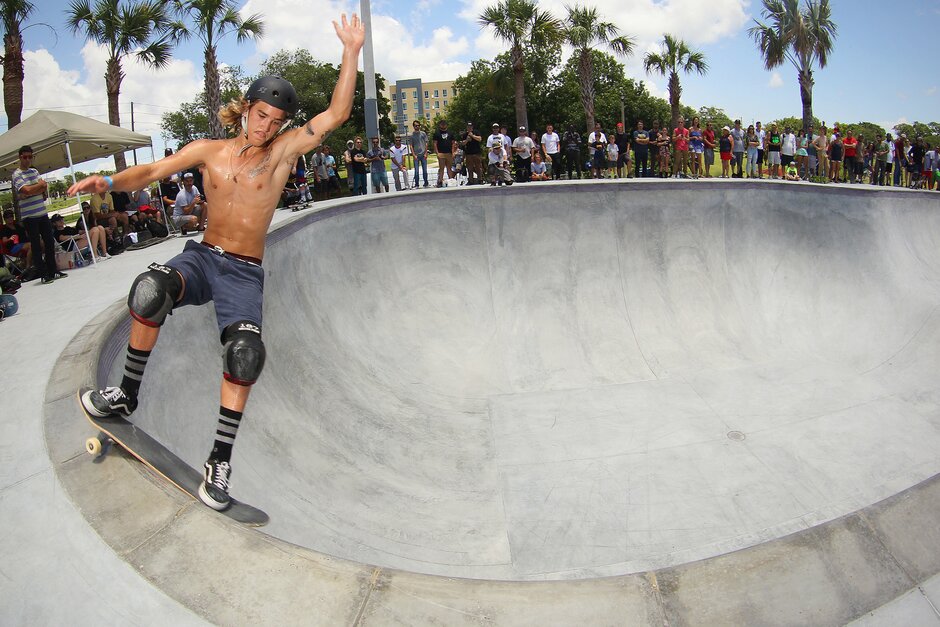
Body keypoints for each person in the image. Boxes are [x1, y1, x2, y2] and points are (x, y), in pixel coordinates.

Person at [69, 13, 365, 512]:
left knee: (246, 354)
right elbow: (155, 169)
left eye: (276, 121)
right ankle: (125, 394)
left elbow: (335, 113)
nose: (266, 127)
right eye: (261, 116)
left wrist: (351, 51)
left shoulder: (284, 153)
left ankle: (219, 460)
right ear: (246, 109)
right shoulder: (209, 151)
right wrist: (110, 184)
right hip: (203, 259)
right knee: (149, 289)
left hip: (243, 273)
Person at [13, 145, 64, 284]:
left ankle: (53, 270)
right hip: (29, 216)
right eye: (25, 157)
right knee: (36, 245)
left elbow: (43, 188)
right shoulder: (17, 174)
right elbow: (26, 190)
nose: (28, 159)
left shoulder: (34, 171)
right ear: (20, 157)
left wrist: (31, 191)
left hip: (42, 213)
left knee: (49, 242)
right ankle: (43, 274)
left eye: (30, 157)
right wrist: (35, 189)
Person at [432, 120, 456, 187]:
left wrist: (453, 152)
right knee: (441, 168)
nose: (443, 125)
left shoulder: (450, 133)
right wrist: (437, 153)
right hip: (441, 153)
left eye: (444, 124)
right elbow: (435, 143)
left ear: (446, 125)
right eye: (442, 124)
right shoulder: (437, 133)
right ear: (439, 125)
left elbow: (453, 143)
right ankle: (440, 181)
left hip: (449, 153)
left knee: (449, 168)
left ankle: (451, 180)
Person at [410, 120, 429, 188]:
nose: (417, 126)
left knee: (425, 170)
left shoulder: (423, 133)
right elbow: (411, 145)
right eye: (415, 125)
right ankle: (417, 184)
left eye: (418, 125)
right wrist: (413, 155)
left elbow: (426, 143)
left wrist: (426, 153)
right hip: (416, 155)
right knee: (416, 171)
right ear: (413, 126)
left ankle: (426, 183)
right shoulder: (412, 135)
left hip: (423, 154)